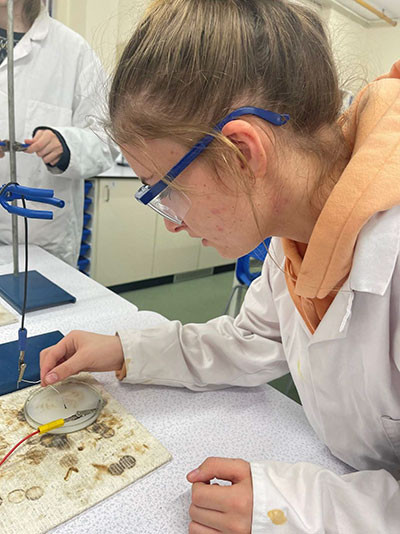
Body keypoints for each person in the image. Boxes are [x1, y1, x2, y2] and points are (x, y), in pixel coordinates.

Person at [40, 0, 400, 532]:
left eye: (167, 192)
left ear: (241, 151)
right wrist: (124, 351)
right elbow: (250, 341)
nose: (171, 222)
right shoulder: (293, 237)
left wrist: (290, 506)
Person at [0, 0, 117, 266]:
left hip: (41, 239)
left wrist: (66, 145)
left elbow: (106, 139)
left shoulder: (73, 51)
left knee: (40, 305)